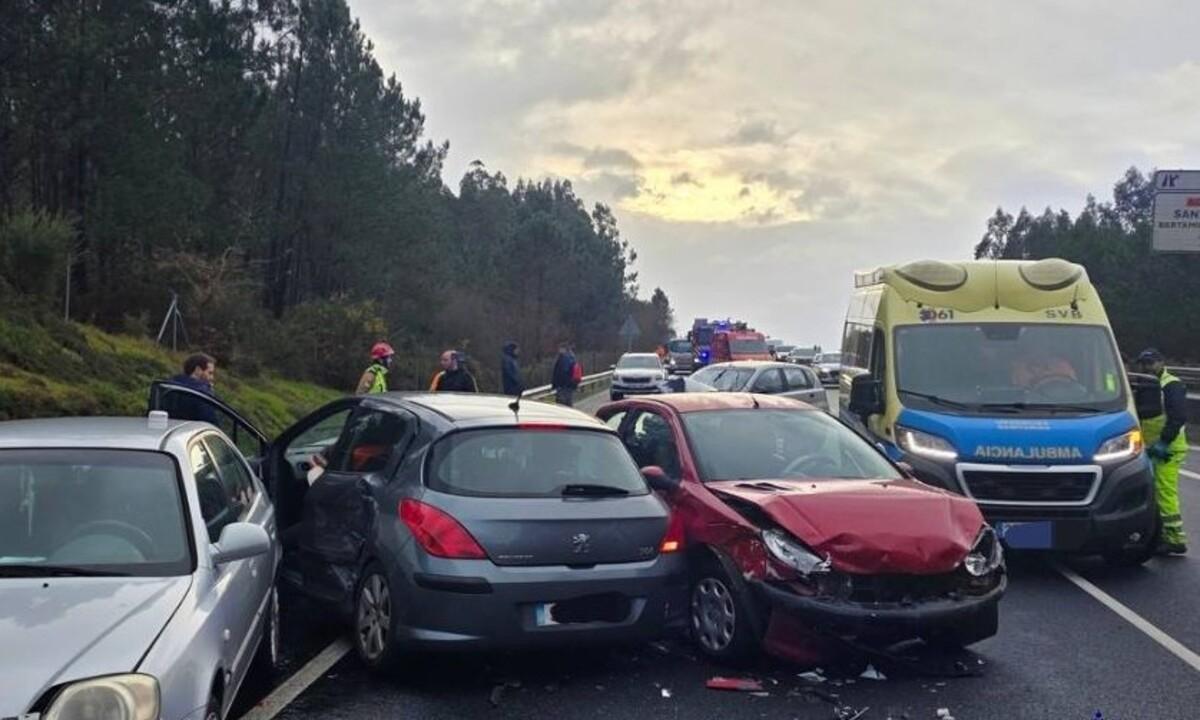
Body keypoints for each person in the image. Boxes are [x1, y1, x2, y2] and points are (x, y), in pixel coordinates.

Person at [1136, 348, 1189, 555]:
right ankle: (1158, 535)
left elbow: (1178, 417)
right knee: (1152, 492)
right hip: (1151, 447)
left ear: (1161, 362)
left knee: (1164, 492)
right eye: (1143, 363)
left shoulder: (1170, 384)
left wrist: (1164, 442)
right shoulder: (1146, 384)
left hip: (1168, 448)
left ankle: (1175, 538)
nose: (1147, 367)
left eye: (1150, 363)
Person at [166, 353, 219, 424]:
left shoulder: (168, 386)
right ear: (198, 370)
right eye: (210, 373)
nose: (212, 377)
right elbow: (211, 422)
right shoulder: (202, 394)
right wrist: (209, 392)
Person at [551, 342, 579, 407]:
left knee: (561, 404)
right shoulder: (572, 357)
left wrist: (556, 385)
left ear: (563, 349)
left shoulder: (564, 358)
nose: (558, 350)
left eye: (560, 348)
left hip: (563, 386)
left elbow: (562, 372)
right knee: (568, 403)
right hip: (570, 385)